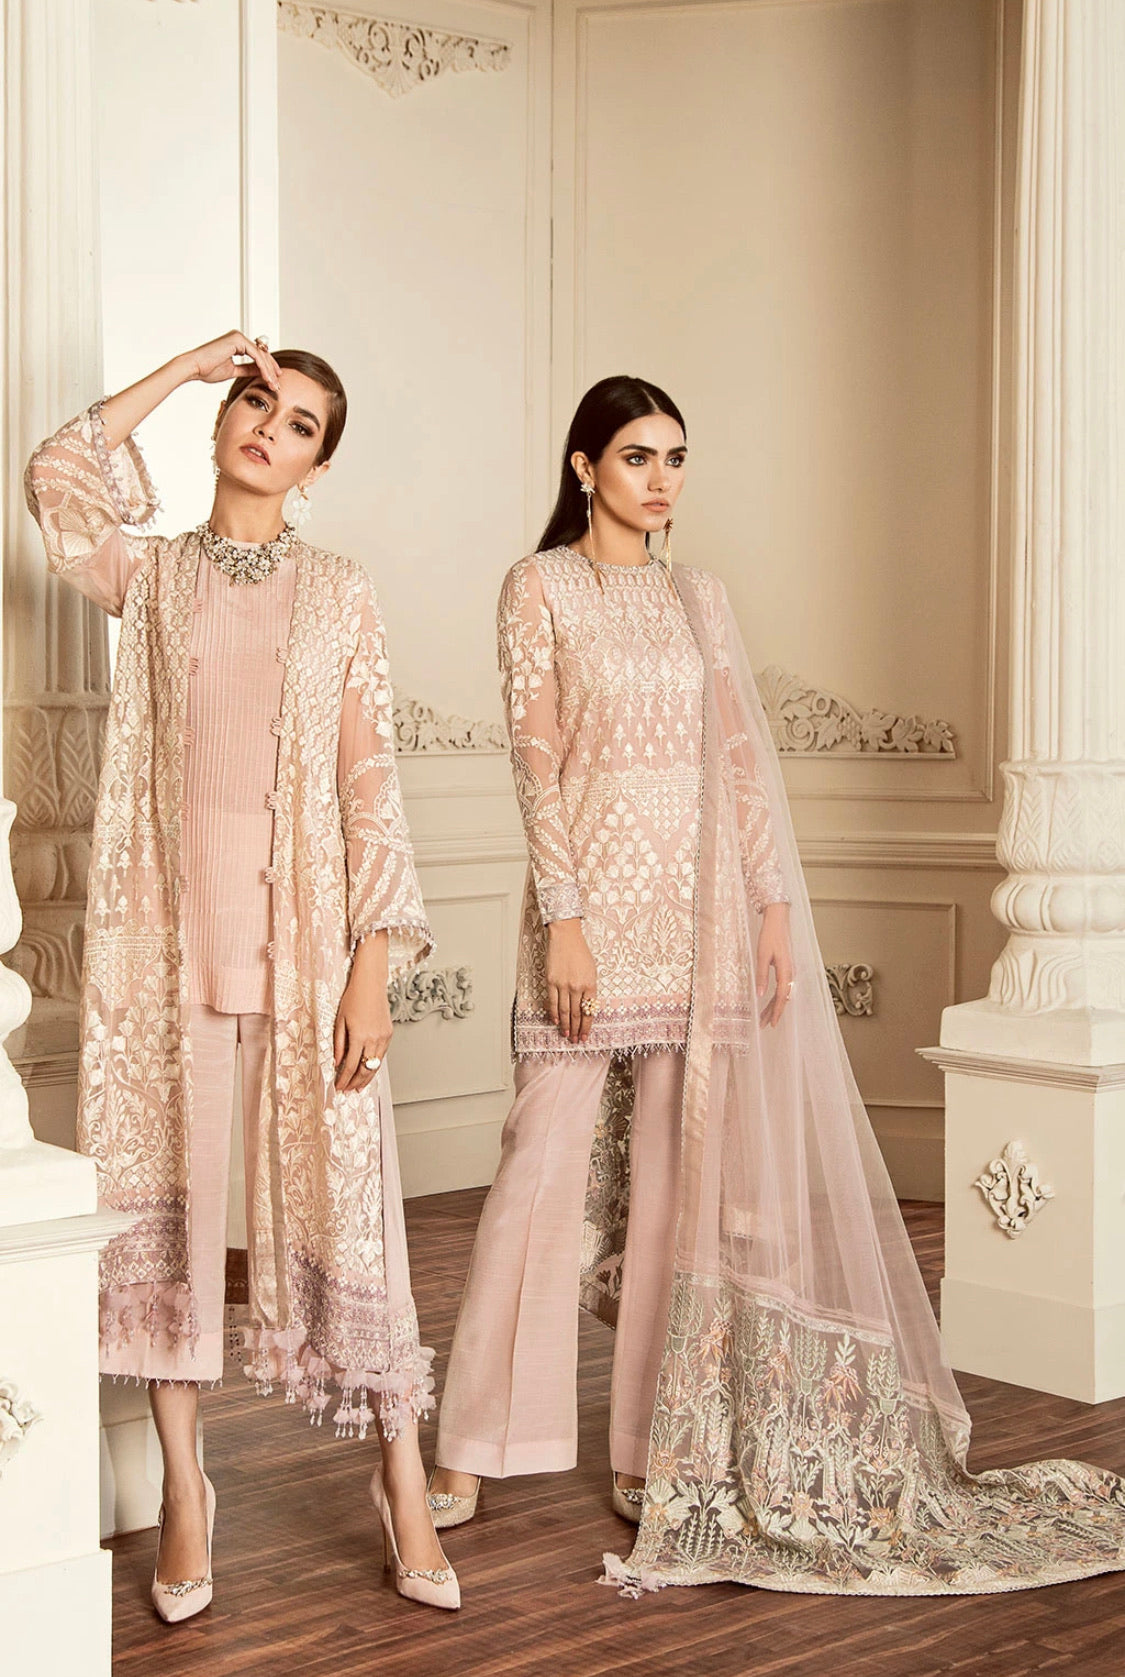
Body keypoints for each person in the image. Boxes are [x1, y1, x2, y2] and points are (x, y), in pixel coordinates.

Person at [428, 374, 1125, 1596]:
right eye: (636, 456)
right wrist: (567, 920)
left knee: (674, 1194)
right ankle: (473, 1446)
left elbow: (743, 767)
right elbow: (537, 764)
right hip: (590, 920)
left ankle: (651, 1446)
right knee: (535, 1176)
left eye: (675, 458)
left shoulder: (699, 598)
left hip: (699, 919)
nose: (661, 479)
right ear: (584, 467)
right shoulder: (538, 587)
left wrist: (768, 909)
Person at [26, 331, 459, 1618]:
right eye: (259, 401)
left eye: (301, 422)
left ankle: (401, 1473)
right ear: (226, 420)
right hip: (164, 954)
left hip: (312, 953)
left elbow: (370, 783)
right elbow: (56, 477)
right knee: (165, 1224)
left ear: (318, 468)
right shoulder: (154, 577)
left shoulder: (340, 593)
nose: (270, 426)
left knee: (357, 1217)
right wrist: (187, 366)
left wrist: (372, 966)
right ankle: (184, 1489)